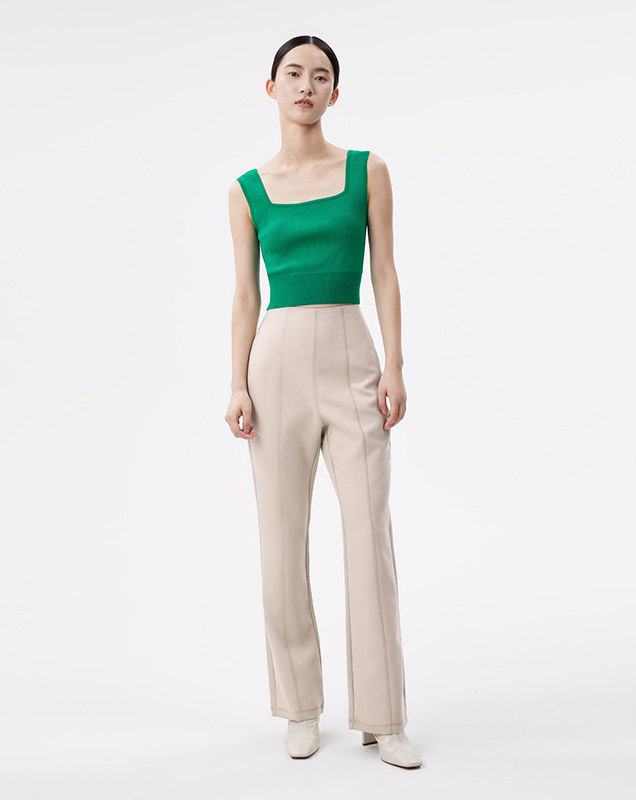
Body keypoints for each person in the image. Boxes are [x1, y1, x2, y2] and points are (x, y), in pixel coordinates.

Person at [224, 34, 422, 769]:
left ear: (335, 93)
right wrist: (237, 382)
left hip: (351, 354)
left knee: (369, 536)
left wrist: (394, 366)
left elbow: (386, 273)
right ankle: (299, 708)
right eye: (293, 73)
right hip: (274, 360)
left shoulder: (368, 171)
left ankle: (383, 716)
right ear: (271, 87)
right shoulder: (247, 189)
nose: (306, 85)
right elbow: (245, 294)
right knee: (281, 541)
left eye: (320, 76)